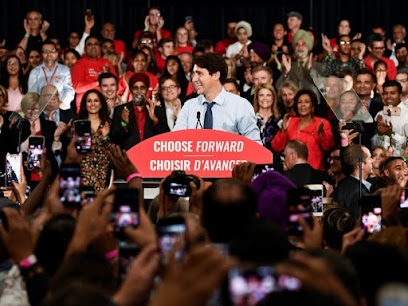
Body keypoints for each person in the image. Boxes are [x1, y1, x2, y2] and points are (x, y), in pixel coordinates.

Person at [173, 53, 261, 144]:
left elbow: (254, 146)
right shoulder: (189, 106)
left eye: (199, 73)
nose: (194, 79)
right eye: (193, 74)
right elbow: (176, 143)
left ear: (215, 75)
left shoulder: (240, 105)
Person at [271, 89, 334, 170]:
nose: (303, 105)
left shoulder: (322, 123)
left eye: (307, 102)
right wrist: (283, 130)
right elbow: (276, 147)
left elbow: (328, 148)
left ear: (313, 106)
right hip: (293, 171)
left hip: (315, 171)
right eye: (299, 102)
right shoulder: (291, 122)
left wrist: (322, 135)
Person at [110, 73, 169, 150]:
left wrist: (155, 120)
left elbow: (166, 139)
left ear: (147, 89)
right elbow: (114, 139)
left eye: (142, 88)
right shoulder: (120, 110)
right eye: (135, 88)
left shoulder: (157, 110)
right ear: (131, 90)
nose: (139, 91)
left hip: (151, 156)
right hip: (128, 157)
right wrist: (124, 124)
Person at [76, 89, 112, 192]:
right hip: (84, 171)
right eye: (89, 101)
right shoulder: (79, 124)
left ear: (101, 104)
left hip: (103, 171)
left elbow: (111, 147)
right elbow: (82, 147)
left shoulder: (108, 123)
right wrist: (101, 136)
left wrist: (105, 137)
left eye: (96, 100)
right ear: (85, 104)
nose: (93, 104)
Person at [71, 36, 117, 112]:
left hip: (106, 105)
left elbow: (117, 86)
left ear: (100, 48)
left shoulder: (106, 63)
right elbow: (77, 88)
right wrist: (98, 82)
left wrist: (108, 75)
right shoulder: (79, 64)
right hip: (85, 107)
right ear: (85, 49)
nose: (93, 47)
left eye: (96, 44)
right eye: (90, 44)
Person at [28, 40, 74, 110]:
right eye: (46, 51)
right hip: (42, 110)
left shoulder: (65, 70)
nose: (49, 54)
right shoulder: (35, 72)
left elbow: (69, 90)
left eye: (52, 51)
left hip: (61, 108)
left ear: (56, 53)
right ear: (42, 54)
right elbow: (32, 94)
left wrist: (59, 105)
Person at [334, 144, 373, 218]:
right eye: (369, 158)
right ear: (361, 165)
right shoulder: (360, 192)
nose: (372, 161)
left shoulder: (343, 184)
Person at [372, 80, 408, 156]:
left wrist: (391, 133)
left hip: (401, 160)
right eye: (385, 93)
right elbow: (374, 144)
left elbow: (406, 144)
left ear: (400, 95)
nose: (388, 96)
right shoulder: (380, 114)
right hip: (381, 161)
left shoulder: (406, 114)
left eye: (392, 93)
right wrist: (380, 134)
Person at [253, 84, 282, 154]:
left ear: (273, 98)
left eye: (268, 95)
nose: (265, 98)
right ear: (257, 99)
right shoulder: (250, 120)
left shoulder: (280, 121)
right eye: (261, 95)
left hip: (275, 162)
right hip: (254, 161)